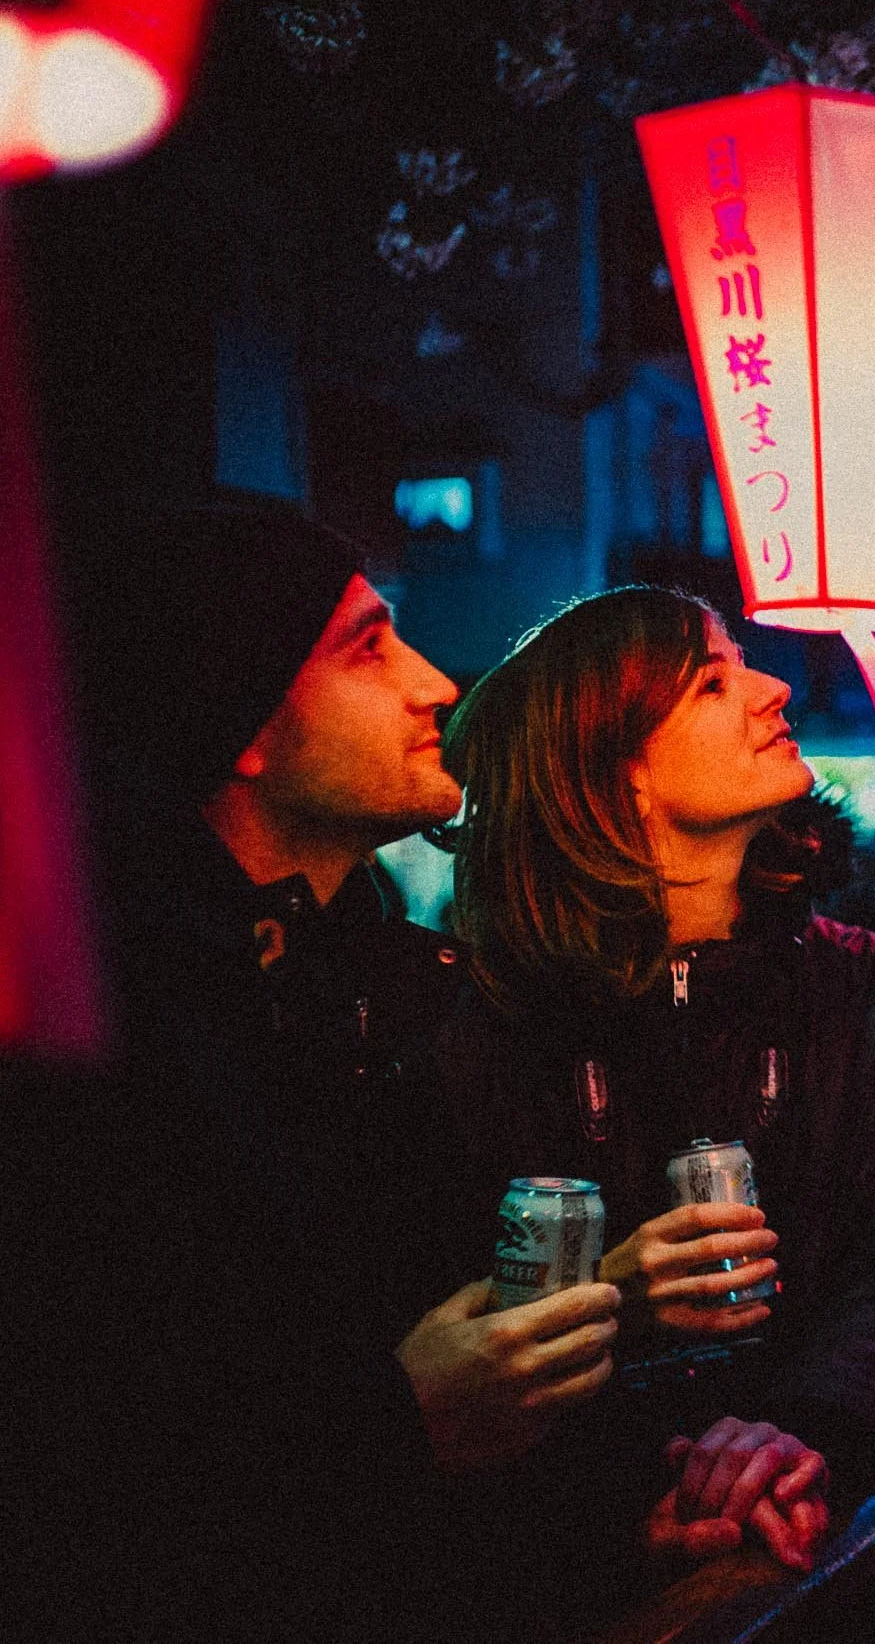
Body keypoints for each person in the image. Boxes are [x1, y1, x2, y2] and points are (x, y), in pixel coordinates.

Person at [30, 501, 629, 1639]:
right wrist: (395, 1427)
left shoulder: (397, 985)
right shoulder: (103, 1045)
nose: (436, 684)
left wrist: (635, 1507)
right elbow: (77, 1462)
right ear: (241, 716)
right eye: (368, 647)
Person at [432, 585, 875, 1615]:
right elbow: (444, 1307)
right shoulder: (489, 1025)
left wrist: (800, 1437)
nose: (775, 687)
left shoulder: (873, 993)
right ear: (615, 771)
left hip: (829, 1550)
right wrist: (621, 1501)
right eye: (711, 681)